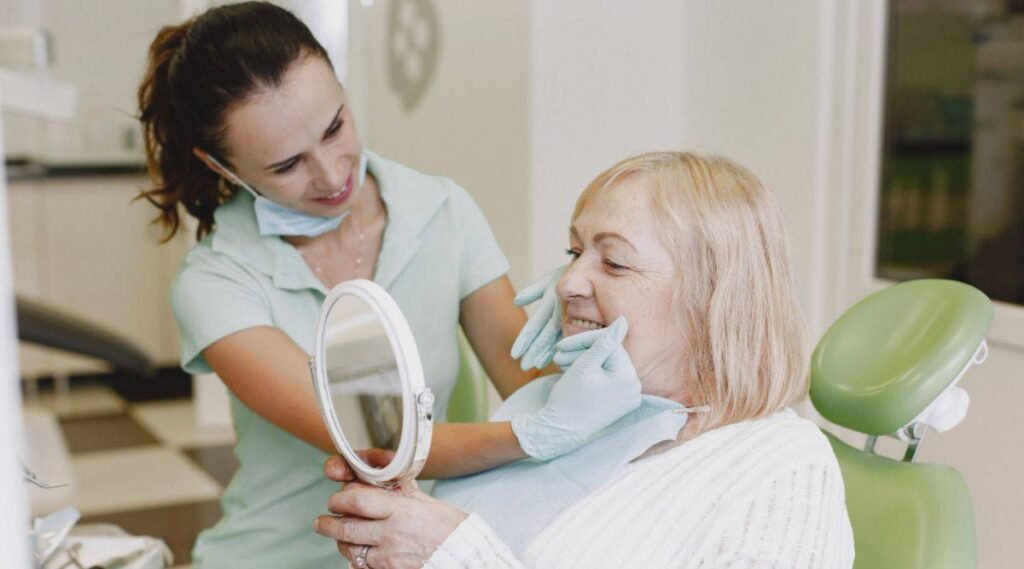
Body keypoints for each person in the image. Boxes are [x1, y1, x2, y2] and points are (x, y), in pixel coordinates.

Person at [137, 3, 637, 567]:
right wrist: (536, 434)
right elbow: (379, 442)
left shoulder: (441, 210)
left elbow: (528, 379)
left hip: (417, 550)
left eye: (335, 127)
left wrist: (588, 321)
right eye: (286, 165)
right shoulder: (215, 281)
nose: (331, 175)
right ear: (220, 165)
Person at [314, 151, 856, 568]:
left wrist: (451, 552)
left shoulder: (780, 467)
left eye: (614, 262)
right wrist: (397, 537)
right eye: (574, 252)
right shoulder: (574, 406)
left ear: (713, 299)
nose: (569, 282)